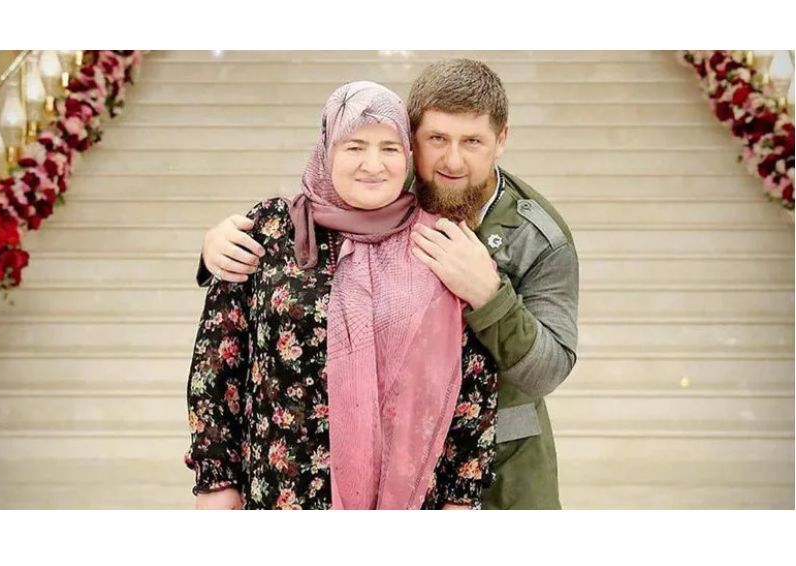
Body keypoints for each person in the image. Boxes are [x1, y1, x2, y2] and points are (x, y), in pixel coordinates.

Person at [197, 59, 580, 510]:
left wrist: (489, 296)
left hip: (497, 468)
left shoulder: (538, 236)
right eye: (437, 139)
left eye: (472, 141)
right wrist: (217, 246)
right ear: (412, 138)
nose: (452, 160)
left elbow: (547, 371)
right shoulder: (380, 186)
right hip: (313, 473)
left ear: (501, 139)